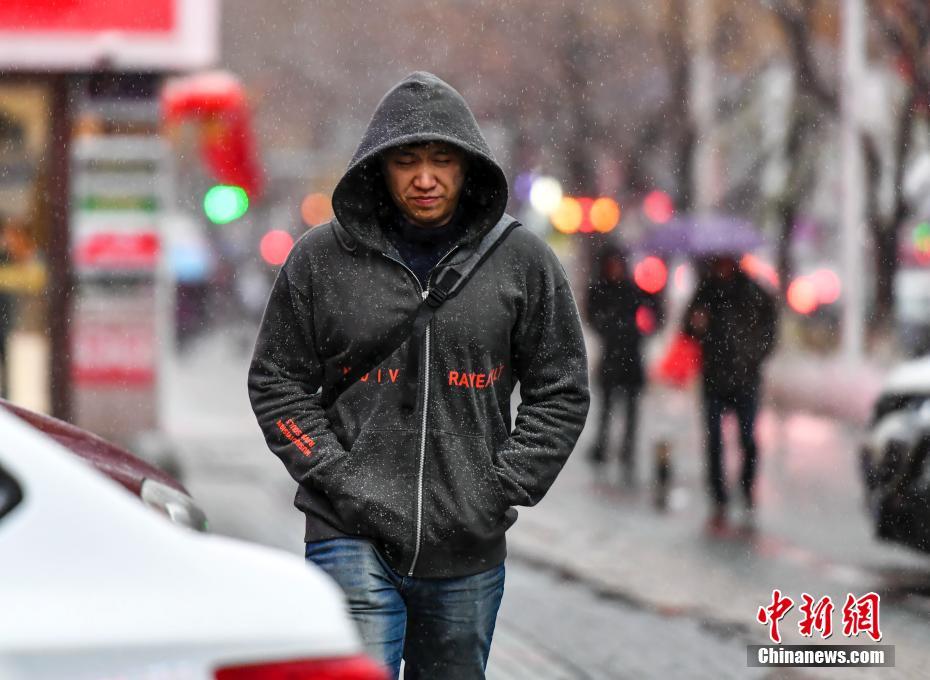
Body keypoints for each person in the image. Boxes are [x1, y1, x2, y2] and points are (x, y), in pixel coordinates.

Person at [248, 72, 589, 679]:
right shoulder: (320, 259)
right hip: (346, 532)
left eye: (441, 160)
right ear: (379, 166)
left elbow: (561, 389)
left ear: (468, 166)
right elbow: (277, 381)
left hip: (467, 550)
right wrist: (336, 475)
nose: (425, 178)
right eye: (406, 161)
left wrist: (498, 487)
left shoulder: (522, 261)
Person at [684, 255, 777, 527]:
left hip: (745, 378)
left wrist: (754, 355)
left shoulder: (753, 290)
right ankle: (718, 495)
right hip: (713, 377)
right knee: (714, 439)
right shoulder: (706, 291)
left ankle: (746, 487)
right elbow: (687, 328)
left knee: (748, 438)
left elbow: (770, 327)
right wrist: (696, 325)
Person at [585, 245, 655, 485]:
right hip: (610, 357)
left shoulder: (632, 290)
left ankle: (627, 451)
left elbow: (652, 313)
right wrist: (610, 329)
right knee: (606, 407)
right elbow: (592, 317)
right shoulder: (600, 290)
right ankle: (602, 446)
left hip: (631, 357)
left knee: (631, 410)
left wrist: (637, 331)